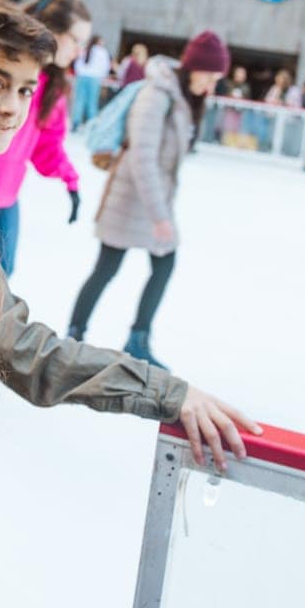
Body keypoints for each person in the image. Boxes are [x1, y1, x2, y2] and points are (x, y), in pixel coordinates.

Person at [0, 0, 259, 473]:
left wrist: (68, 179)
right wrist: (167, 394)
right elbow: (22, 351)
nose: (12, 107)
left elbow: (45, 145)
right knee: (53, 283)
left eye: (26, 90)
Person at [67, 31, 231, 369]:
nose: (212, 86)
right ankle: (74, 338)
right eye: (211, 77)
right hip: (130, 197)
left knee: (160, 263)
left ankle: (136, 338)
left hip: (153, 200)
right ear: (196, 69)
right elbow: (142, 157)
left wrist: (161, 211)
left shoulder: (180, 96)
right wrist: (160, 216)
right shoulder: (156, 96)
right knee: (108, 266)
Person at [0, 0, 90, 276]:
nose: (78, 51)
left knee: (0, 281)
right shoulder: (5, 68)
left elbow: (47, 147)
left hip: (5, 198)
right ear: (50, 30)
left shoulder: (54, 86)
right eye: (74, 40)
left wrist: (70, 180)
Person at [73, 34, 111, 129]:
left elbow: (77, 64)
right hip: (94, 78)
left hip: (82, 77)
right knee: (92, 102)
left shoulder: (85, 50)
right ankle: (91, 124)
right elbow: (105, 67)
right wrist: (102, 77)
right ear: (99, 41)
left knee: (79, 100)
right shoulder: (102, 52)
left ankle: (76, 122)